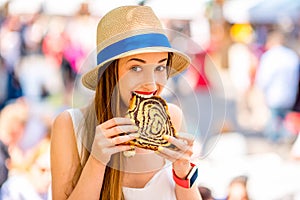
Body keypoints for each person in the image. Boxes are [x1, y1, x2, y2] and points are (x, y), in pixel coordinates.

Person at [51, 6, 202, 200]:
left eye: (160, 67)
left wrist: (183, 172)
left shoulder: (172, 117)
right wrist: (96, 161)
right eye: (136, 68)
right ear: (110, 73)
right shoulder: (70, 125)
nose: (152, 83)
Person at [255, 30, 300, 142]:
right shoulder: (292, 56)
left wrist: (260, 92)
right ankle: (286, 138)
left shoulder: (269, 56)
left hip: (274, 95)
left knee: (274, 119)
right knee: (285, 119)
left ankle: (275, 140)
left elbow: (263, 78)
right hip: (290, 94)